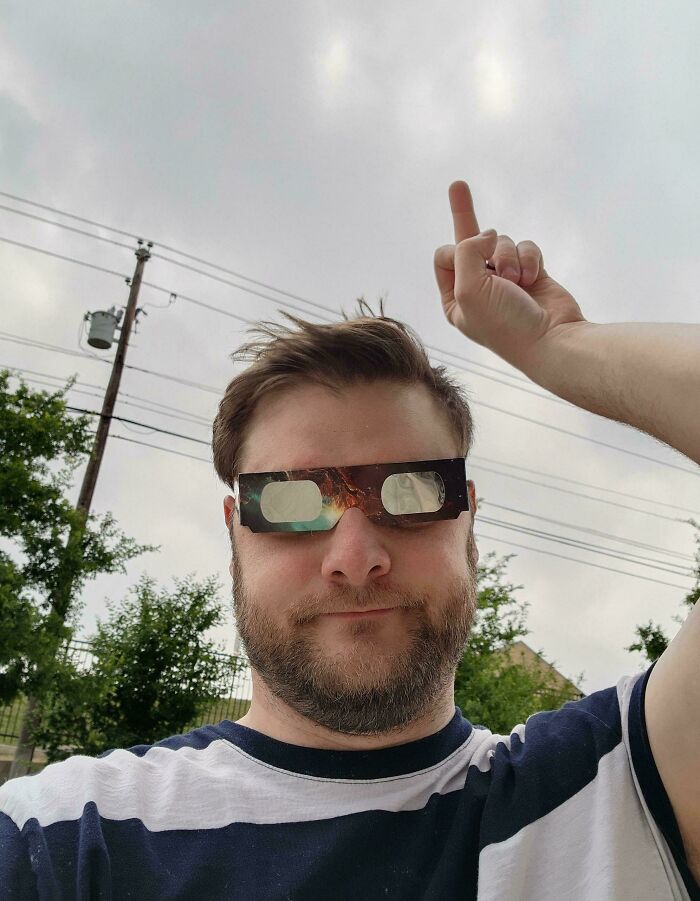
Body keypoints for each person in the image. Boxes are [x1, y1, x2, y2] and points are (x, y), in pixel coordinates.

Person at [1, 180, 698, 899]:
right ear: (235, 530)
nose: (356, 555)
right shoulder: (58, 842)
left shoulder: (618, 794)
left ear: (469, 524)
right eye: (295, 501)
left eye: (414, 492)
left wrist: (559, 345)